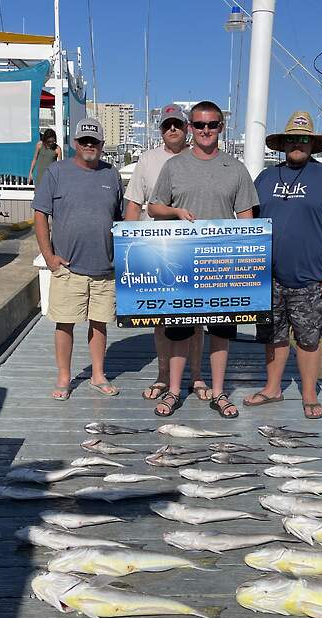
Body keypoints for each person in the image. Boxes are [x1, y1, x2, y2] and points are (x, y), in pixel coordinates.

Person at [148, 100, 258, 419]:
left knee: (221, 332)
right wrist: (175, 212)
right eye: (198, 125)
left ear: (221, 128)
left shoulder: (236, 168)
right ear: (190, 128)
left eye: (211, 125)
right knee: (179, 332)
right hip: (180, 264)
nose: (205, 130)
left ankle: (220, 392)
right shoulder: (174, 165)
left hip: (222, 266)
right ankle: (173, 390)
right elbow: (154, 207)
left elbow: (248, 219)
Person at [246, 111, 322, 419]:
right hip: (270, 277)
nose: (297, 144)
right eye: (292, 138)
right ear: (283, 143)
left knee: (309, 338)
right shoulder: (266, 178)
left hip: (312, 279)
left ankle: (309, 395)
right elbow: (247, 220)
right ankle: (272, 388)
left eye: (303, 139)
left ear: (312, 144)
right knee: (274, 335)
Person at [123, 103, 210, 403]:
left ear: (186, 127)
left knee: (197, 319)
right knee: (161, 320)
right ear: (160, 130)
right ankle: (163, 376)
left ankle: (197, 375)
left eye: (177, 124)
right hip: (155, 250)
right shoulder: (147, 160)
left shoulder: (199, 156)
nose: (172, 129)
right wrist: (125, 252)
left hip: (193, 250)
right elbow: (134, 205)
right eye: (166, 125)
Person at [33, 118, 124, 401]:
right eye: (84, 141)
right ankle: (64, 377)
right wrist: (49, 257)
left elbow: (120, 219)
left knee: (100, 324)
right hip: (68, 268)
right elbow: (39, 214)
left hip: (105, 268)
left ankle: (98, 374)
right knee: (65, 323)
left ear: (101, 145)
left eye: (94, 142)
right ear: (74, 144)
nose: (89, 146)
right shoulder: (56, 172)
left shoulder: (112, 175)